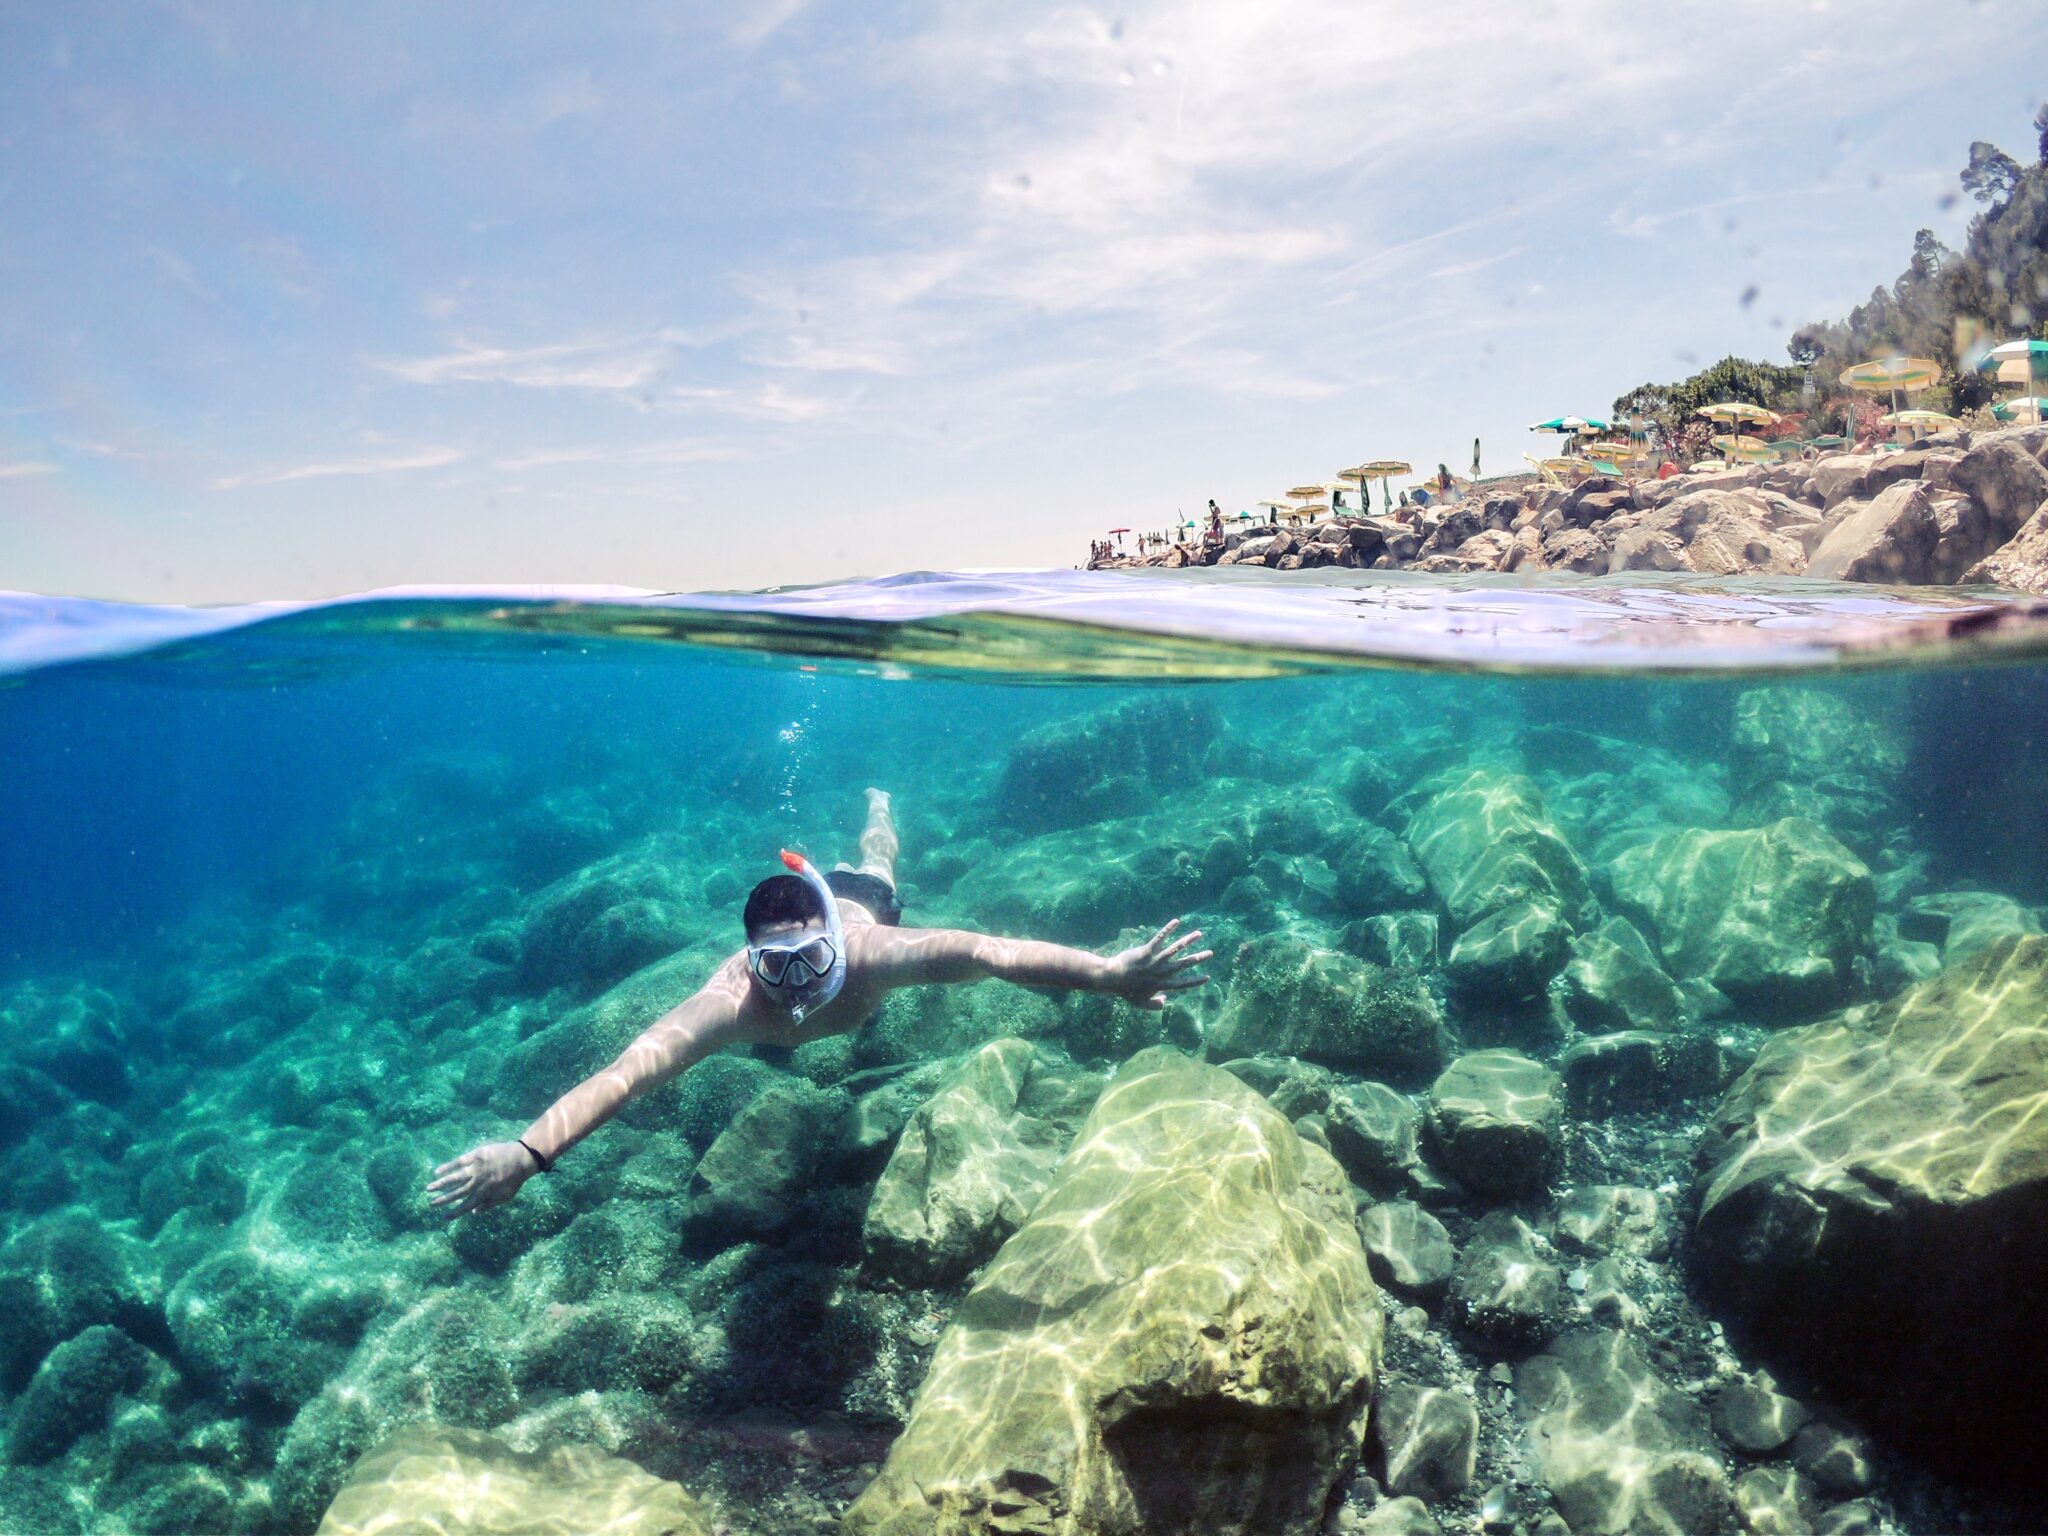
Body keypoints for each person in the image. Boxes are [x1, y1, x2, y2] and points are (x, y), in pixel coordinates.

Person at [427, 791, 1211, 1217]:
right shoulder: (731, 1002)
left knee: (877, 862)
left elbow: (989, 953)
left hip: (859, 900)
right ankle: (842, 852)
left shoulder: (869, 954)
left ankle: (878, 808)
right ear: (749, 959)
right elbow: (628, 1073)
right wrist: (529, 1154)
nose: (798, 984)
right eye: (777, 965)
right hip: (820, 911)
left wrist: (1108, 973)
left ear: (834, 942)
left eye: (811, 959)